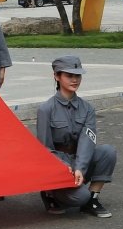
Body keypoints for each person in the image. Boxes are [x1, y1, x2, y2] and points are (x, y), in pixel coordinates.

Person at [35, 55, 116, 217]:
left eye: (77, 76)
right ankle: (49, 192)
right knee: (80, 197)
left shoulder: (87, 109)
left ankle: (93, 199)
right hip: (59, 166)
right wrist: (65, 167)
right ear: (57, 76)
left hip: (79, 161)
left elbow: (87, 141)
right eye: (69, 76)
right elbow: (45, 149)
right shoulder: (46, 109)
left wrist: (80, 168)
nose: (74, 80)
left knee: (108, 151)